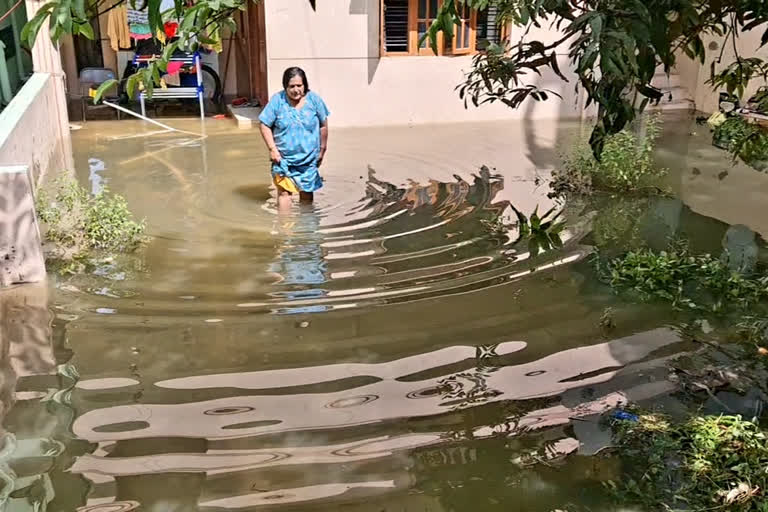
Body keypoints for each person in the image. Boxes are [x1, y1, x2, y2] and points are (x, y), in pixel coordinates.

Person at [258, 67, 330, 210]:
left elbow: (323, 125)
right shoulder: (277, 101)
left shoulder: (314, 100)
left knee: (307, 194)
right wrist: (273, 150)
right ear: (285, 86)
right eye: (291, 86)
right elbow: (264, 124)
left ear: (305, 85)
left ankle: (307, 229)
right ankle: (285, 229)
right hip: (283, 159)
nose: (296, 90)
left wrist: (322, 150)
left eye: (299, 86)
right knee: (284, 193)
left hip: (308, 159)